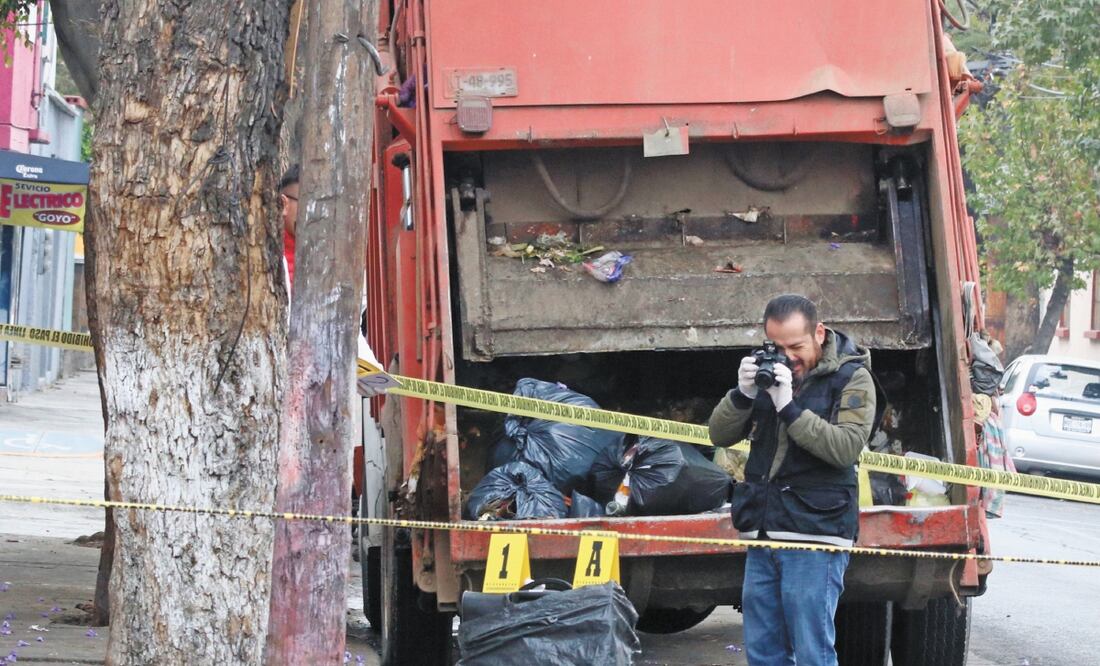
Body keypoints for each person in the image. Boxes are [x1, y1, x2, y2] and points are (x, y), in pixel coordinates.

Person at [708, 294, 877, 666]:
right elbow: (718, 435)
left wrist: (788, 406)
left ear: (819, 333)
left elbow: (845, 448)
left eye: (797, 346)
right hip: (764, 530)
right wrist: (743, 393)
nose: (789, 357)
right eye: (778, 346)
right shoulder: (768, 373)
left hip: (815, 535)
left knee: (812, 651)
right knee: (763, 651)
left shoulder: (853, 377)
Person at [278, 164, 387, 398]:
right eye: (310, 205)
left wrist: (371, 374)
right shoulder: (259, 257)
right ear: (283, 204)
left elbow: (346, 332)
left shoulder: (336, 265)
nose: (318, 216)